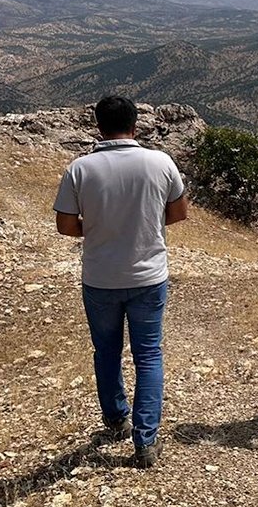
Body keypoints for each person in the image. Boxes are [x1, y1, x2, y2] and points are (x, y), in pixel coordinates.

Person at [53, 96, 189, 468]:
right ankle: (145, 441)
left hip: (99, 277)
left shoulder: (80, 169)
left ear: (99, 126)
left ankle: (115, 417)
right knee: (148, 355)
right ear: (136, 125)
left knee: (107, 352)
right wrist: (143, 226)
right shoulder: (159, 162)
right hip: (148, 275)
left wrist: (99, 229)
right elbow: (179, 212)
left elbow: (65, 226)